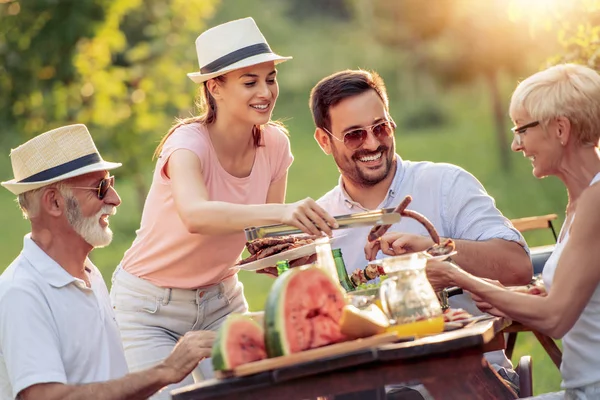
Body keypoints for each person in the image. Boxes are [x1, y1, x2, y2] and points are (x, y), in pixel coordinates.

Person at [110, 17, 337, 398]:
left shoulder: (275, 145)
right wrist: (282, 214)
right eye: (250, 82)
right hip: (149, 309)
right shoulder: (187, 144)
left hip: (221, 303)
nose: (266, 91)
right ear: (214, 87)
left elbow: (261, 242)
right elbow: (196, 215)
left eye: (270, 78)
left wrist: (293, 255)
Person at [309, 69, 533, 393]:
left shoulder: (445, 184)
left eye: (380, 127)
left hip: (467, 383)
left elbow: (518, 266)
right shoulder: (319, 224)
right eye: (355, 134)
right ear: (324, 141)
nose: (372, 143)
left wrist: (438, 250)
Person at [0, 124, 215, 400]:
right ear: (54, 203)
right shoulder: (21, 293)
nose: (115, 199)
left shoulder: (89, 274)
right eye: (100, 188)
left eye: (110, 184)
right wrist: (166, 370)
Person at [427, 64, 600, 399]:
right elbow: (570, 298)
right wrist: (505, 295)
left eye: (521, 130)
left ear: (560, 129)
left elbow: (555, 318)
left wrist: (458, 276)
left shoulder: (596, 202)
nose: (515, 145)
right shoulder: (580, 201)